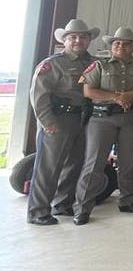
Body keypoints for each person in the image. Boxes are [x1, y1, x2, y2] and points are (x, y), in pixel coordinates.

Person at [74, 27, 133, 224]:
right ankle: (82, 208)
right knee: (94, 163)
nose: (121, 46)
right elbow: (88, 90)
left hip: (132, 118)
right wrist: (116, 97)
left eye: (126, 43)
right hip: (102, 119)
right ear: (111, 46)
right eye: (117, 43)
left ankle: (128, 201)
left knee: (128, 162)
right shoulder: (100, 65)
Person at [26, 19, 99, 226]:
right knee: (49, 167)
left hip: (83, 119)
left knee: (74, 164)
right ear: (64, 41)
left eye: (83, 37)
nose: (78, 40)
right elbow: (38, 96)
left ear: (88, 40)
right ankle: (38, 211)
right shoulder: (53, 64)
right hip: (58, 120)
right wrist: (47, 121)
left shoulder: (93, 63)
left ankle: (62, 204)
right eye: (73, 37)